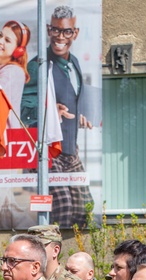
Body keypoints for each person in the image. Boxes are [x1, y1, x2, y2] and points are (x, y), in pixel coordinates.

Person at [20, 5, 93, 226]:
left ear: (75, 33)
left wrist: (83, 113)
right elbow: (24, 107)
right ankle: (52, 256)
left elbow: (75, 97)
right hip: (48, 150)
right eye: (56, 30)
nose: (61, 37)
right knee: (63, 208)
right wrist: (49, 111)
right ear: (48, 30)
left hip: (70, 149)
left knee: (84, 208)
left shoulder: (74, 63)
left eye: (67, 31)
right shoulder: (38, 66)